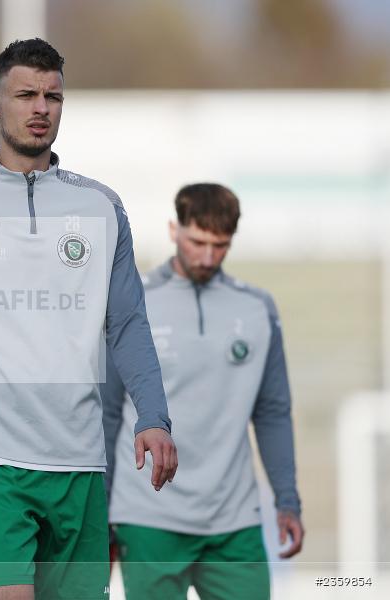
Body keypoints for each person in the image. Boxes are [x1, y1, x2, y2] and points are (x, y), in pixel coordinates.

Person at [0, 39, 177, 600]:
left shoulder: (102, 207)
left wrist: (155, 416)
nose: (40, 107)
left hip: (80, 461)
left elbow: (125, 323)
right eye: (25, 94)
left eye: (52, 96)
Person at [103, 183, 304, 600]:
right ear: (174, 228)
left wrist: (287, 500)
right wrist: (100, 511)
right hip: (147, 516)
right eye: (197, 241)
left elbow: (272, 412)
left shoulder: (257, 309)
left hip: (235, 520)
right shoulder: (132, 301)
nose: (208, 256)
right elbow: (107, 412)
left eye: (221, 245)